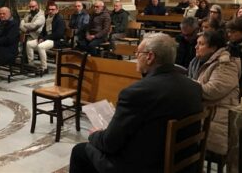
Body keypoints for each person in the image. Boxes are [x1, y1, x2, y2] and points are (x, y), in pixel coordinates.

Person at [70, 33, 203, 173]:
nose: (136, 57)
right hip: (183, 164)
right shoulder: (194, 87)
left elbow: (109, 144)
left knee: (80, 151)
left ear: (150, 57)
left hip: (144, 167)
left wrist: (95, 134)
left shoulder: (137, 92)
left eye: (138, 53)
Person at [188, 31, 240, 156]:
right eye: (196, 43)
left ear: (213, 48)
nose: (196, 47)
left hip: (217, 122)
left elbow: (212, 91)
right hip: (207, 116)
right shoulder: (203, 62)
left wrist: (187, 85)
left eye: (201, 44)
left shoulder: (225, 65)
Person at [26, 3, 65, 74]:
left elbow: (58, 34)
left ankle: (44, 68)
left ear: (57, 10)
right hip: (47, 39)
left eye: (53, 9)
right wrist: (40, 37)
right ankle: (31, 65)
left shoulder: (60, 20)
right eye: (49, 9)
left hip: (56, 40)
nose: (50, 11)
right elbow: (43, 31)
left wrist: (44, 38)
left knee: (40, 46)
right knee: (29, 44)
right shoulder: (47, 18)